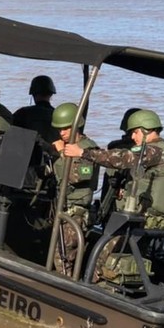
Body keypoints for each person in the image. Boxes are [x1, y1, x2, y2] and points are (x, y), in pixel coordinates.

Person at [64, 108, 164, 231]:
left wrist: (82, 152)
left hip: (145, 219)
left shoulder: (153, 151)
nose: (132, 136)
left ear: (147, 130)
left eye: (136, 132)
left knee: (107, 249)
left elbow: (123, 158)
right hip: (155, 218)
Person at [49, 102, 99, 274]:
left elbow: (78, 176)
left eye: (66, 128)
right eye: (59, 129)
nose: (61, 133)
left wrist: (63, 154)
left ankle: (66, 287)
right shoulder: (70, 147)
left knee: (63, 256)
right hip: (65, 207)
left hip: (77, 211)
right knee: (62, 254)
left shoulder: (87, 149)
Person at [13, 75, 58, 143]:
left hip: (27, 152)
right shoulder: (58, 115)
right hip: (53, 152)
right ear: (51, 94)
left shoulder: (21, 113)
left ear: (33, 94)